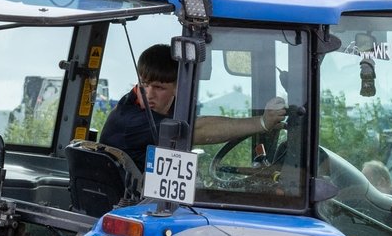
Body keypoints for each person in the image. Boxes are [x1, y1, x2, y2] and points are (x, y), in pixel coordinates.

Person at [98, 44, 288, 172]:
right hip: (133, 206)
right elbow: (197, 129)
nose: (148, 94)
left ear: (178, 88)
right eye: (145, 84)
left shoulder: (167, 110)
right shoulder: (130, 119)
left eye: (159, 87)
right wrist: (262, 122)